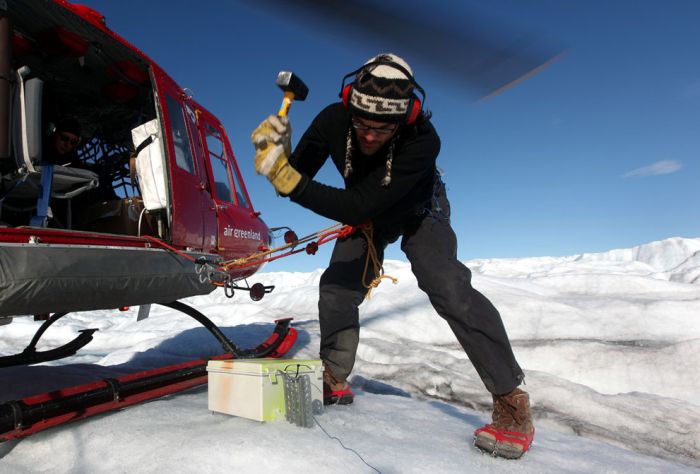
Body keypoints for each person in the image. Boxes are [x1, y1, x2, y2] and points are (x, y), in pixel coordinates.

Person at [251, 53, 534, 459]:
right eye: (362, 124)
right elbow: (294, 178)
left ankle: (512, 401)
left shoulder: (423, 140)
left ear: (406, 118)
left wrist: (287, 179)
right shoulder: (333, 120)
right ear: (350, 105)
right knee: (336, 287)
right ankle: (333, 375)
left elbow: (348, 204)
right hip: (366, 209)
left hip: (420, 210)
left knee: (446, 284)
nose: (369, 136)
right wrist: (276, 151)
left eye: (382, 128)